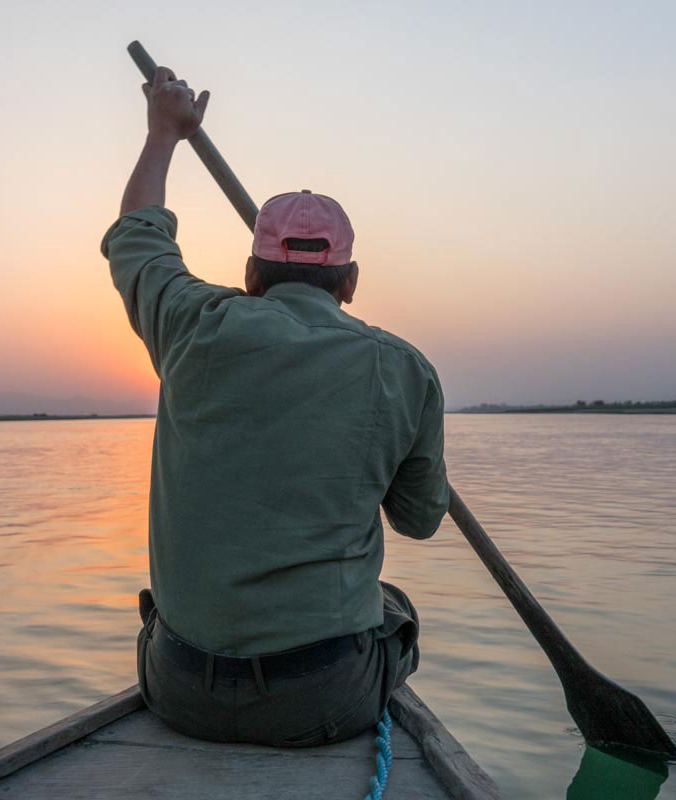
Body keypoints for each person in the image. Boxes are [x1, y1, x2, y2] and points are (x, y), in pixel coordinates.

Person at [100, 66, 448, 746]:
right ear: (350, 280)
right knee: (394, 610)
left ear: (252, 275)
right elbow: (419, 519)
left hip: (180, 689)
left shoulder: (190, 323)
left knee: (157, 616)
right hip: (323, 696)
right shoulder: (405, 371)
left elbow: (138, 235)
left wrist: (164, 134)